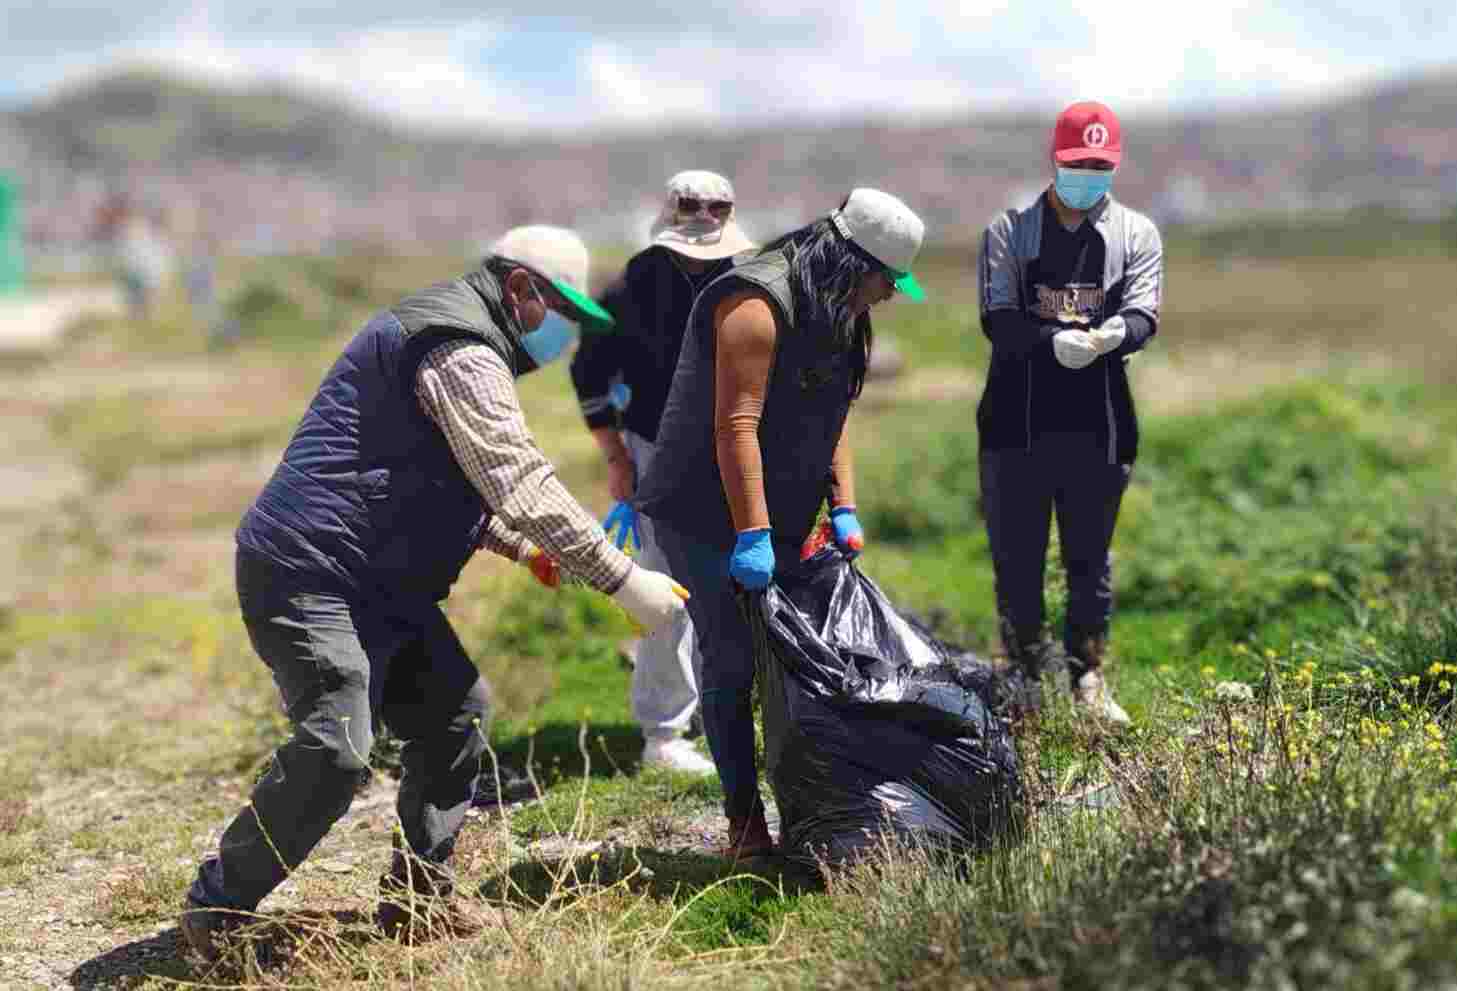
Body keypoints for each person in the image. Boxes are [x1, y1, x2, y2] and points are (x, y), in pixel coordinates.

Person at [180, 225, 690, 960]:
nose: (567, 337)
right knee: (337, 745)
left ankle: (418, 896)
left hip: (378, 578)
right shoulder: (457, 343)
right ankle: (218, 905)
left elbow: (444, 482)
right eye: (564, 315)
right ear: (519, 290)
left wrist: (524, 549)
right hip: (310, 572)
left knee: (456, 715)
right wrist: (622, 579)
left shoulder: (466, 338)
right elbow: (515, 474)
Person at [637, 188, 927, 858]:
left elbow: (834, 413)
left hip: (776, 509)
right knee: (731, 657)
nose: (887, 296)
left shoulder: (843, 310)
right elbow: (734, 425)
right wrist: (753, 534)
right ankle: (744, 825)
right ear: (853, 261)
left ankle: (813, 805)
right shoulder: (754, 305)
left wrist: (843, 504)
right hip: (702, 509)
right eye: (886, 280)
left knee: (798, 655)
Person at [975, 100, 1164, 727]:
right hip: (1016, 424)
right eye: (1078, 162)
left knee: (1090, 562)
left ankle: (1088, 681)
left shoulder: (1136, 233)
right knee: (1017, 560)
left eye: (1100, 163)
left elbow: (1145, 312)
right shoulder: (1010, 231)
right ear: (1056, 160)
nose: (1089, 173)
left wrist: (1113, 337)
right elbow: (997, 316)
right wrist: (1047, 340)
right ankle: (1026, 680)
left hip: (1099, 425)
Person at [569, 170, 754, 775]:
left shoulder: (746, 278)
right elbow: (589, 375)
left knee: (736, 582)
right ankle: (664, 733)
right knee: (663, 585)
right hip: (654, 449)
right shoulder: (633, 285)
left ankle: (732, 708)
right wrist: (619, 460)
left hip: (735, 447)